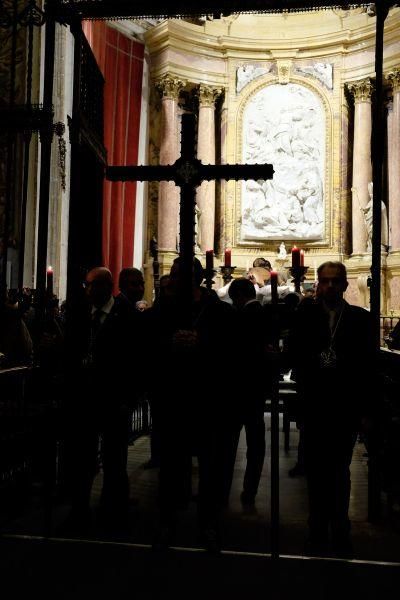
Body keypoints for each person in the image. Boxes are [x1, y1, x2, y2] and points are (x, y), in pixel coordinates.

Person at [289, 261, 377, 557]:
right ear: (317, 284)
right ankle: (316, 528)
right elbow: (295, 357)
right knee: (315, 471)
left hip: (345, 405)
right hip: (314, 404)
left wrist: (365, 411)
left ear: (344, 285)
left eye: (335, 281)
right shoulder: (304, 316)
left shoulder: (360, 319)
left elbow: (367, 367)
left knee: (340, 471)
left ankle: (341, 529)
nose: (329, 287)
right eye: (324, 281)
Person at [61, 267, 144, 536]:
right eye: (86, 285)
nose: (86, 290)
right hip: (84, 400)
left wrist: (128, 399)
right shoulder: (78, 313)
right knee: (82, 458)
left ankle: (112, 510)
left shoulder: (127, 316)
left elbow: (134, 362)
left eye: (90, 285)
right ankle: (79, 508)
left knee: (114, 459)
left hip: (113, 400)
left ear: (105, 287)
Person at [222, 278, 268, 506]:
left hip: (233, 391)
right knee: (256, 444)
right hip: (256, 391)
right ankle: (250, 490)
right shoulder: (266, 315)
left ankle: (222, 489)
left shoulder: (235, 317)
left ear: (237, 296)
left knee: (227, 445)